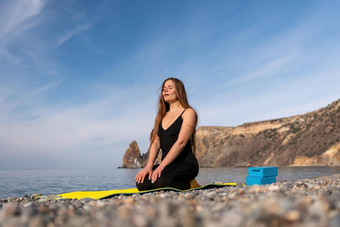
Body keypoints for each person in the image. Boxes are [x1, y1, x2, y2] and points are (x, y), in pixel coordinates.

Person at [135, 77, 199, 190]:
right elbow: (156, 142)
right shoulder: (161, 115)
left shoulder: (188, 112)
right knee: (142, 183)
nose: (165, 91)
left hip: (186, 164)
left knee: (161, 181)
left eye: (170, 88)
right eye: (164, 88)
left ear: (179, 91)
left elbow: (181, 142)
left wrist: (162, 166)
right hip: (168, 166)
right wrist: (149, 166)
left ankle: (190, 183)